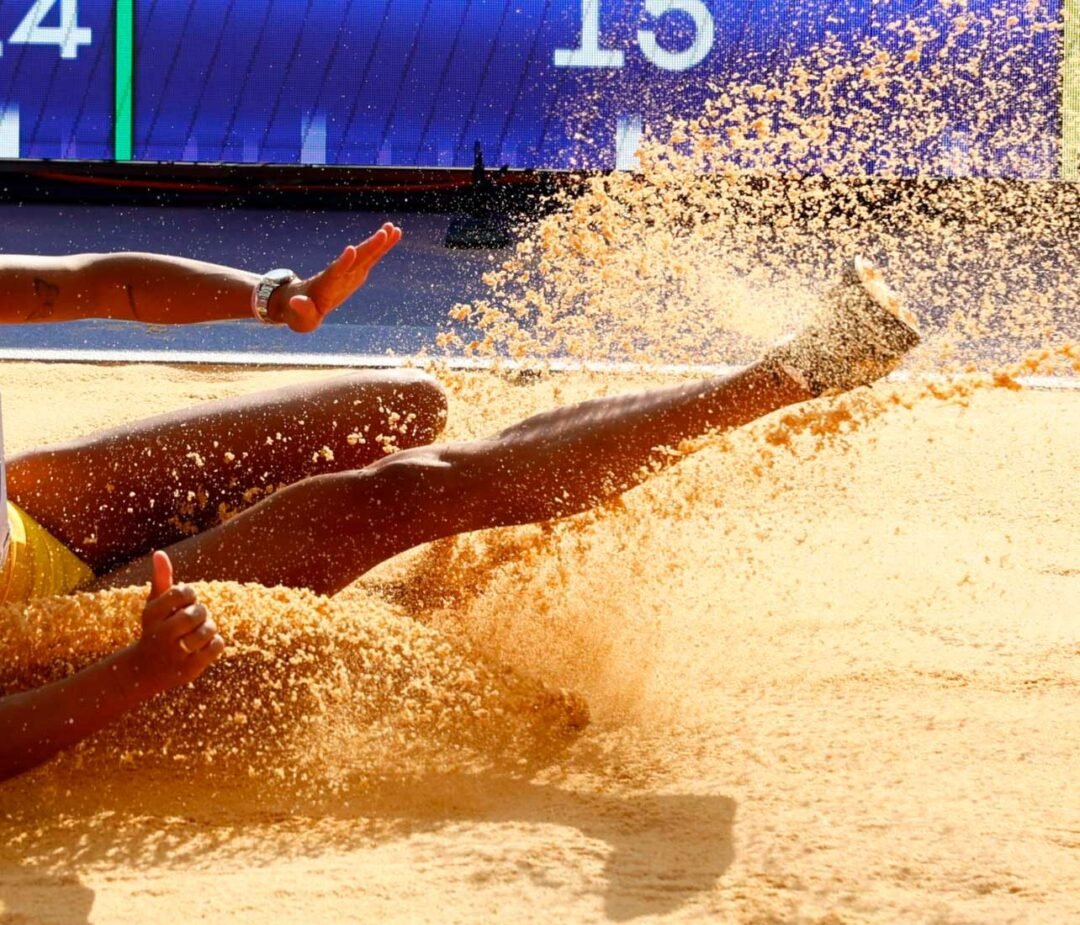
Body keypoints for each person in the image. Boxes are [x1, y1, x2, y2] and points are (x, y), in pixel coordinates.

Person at [0, 228, 920, 782]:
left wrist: (274, 298)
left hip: (35, 516)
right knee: (400, 495)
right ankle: (795, 371)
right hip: (37, 633)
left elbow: (88, 282)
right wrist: (138, 670)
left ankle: (407, 583)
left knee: (406, 407)